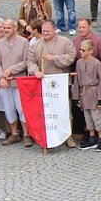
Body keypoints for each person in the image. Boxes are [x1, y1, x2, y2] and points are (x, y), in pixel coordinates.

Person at [27, 20, 77, 148]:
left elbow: (71, 57)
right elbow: (30, 62)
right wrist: (35, 71)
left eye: (48, 31)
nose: (45, 34)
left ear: (55, 30)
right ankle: (47, 135)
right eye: (43, 31)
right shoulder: (36, 45)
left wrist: (55, 58)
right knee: (46, 111)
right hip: (43, 83)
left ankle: (67, 136)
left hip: (60, 83)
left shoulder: (65, 42)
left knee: (64, 110)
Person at [0, 18, 30, 146]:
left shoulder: (24, 42)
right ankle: (14, 133)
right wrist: (1, 77)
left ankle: (26, 134)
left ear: (15, 28)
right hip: (5, 82)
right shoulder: (0, 44)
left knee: (22, 108)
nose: (5, 30)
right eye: (4, 28)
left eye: (8, 28)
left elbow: (26, 61)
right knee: (8, 108)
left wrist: (11, 70)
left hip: (18, 81)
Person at [74, 39, 101, 151]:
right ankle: (92, 137)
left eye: (83, 50)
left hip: (94, 91)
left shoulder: (97, 63)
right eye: (80, 50)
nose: (81, 52)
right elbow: (77, 79)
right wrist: (76, 96)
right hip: (84, 92)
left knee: (96, 116)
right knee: (87, 116)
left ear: (90, 51)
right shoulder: (79, 63)